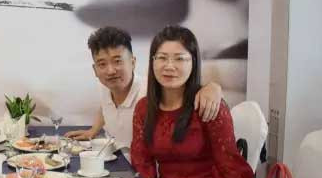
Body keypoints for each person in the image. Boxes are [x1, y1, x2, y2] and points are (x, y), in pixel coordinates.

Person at [130, 25, 255, 178]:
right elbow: (141, 163)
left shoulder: (208, 105)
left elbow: (230, 164)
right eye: (162, 58)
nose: (169, 66)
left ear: (194, 62)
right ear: (152, 62)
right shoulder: (144, 109)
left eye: (179, 58)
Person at [65, 26, 222, 161]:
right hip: (113, 159)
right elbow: (105, 106)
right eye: (102, 64)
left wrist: (213, 87)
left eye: (117, 61)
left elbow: (183, 89)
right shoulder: (105, 87)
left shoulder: (150, 92)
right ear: (95, 70)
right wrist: (93, 130)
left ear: (133, 62)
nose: (110, 71)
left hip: (141, 171)